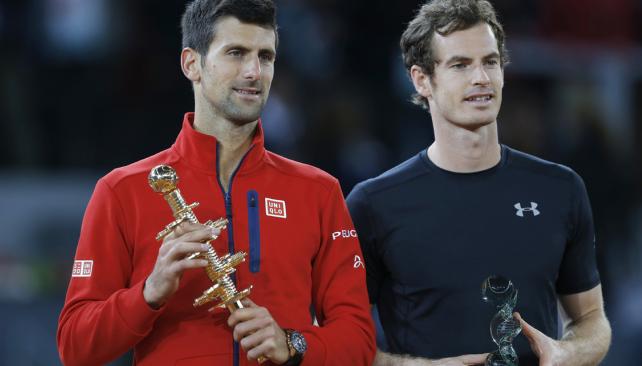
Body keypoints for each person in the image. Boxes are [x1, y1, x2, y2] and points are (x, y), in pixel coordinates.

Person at [56, 1, 375, 365]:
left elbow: (359, 340)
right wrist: (149, 293)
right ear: (192, 63)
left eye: (266, 56)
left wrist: (293, 344)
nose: (254, 71)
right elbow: (75, 347)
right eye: (236, 53)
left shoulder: (318, 192)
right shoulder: (122, 190)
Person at [346, 0, 612, 365]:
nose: (481, 79)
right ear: (421, 79)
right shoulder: (373, 204)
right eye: (460, 65)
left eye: (490, 62)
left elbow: (591, 320)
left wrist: (568, 353)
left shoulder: (560, 189)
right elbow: (336, 337)